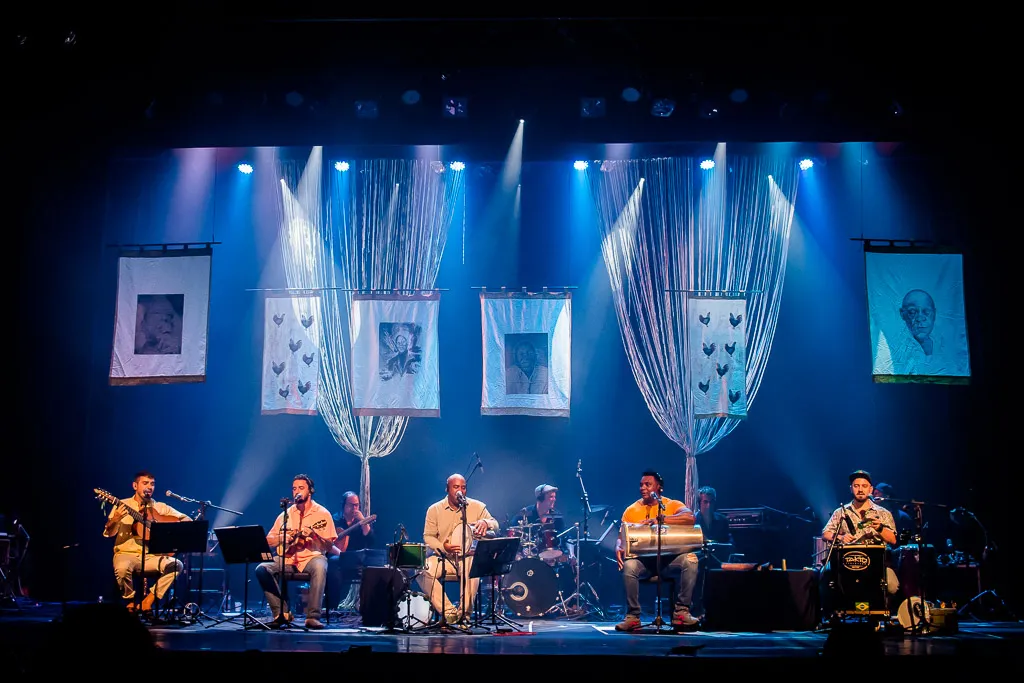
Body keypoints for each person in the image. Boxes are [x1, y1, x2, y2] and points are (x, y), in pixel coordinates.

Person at [614, 470, 700, 631]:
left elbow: (690, 518)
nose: (643, 488)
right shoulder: (631, 510)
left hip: (669, 561)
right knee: (629, 566)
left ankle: (681, 613)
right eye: (641, 485)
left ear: (659, 488)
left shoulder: (672, 505)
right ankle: (633, 616)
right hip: (643, 563)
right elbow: (621, 536)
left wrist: (662, 519)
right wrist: (618, 545)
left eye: (648, 484)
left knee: (691, 559)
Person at [255, 474, 338, 629]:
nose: (296, 491)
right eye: (294, 488)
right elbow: (268, 541)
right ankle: (282, 613)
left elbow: (328, 546)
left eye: (301, 488)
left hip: (311, 557)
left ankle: (312, 617)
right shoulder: (285, 514)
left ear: (310, 491)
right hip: (288, 558)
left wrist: (314, 535)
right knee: (262, 569)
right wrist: (283, 538)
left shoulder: (323, 514)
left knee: (320, 566)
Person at [103, 471, 191, 613]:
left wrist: (164, 527)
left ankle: (148, 601)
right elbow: (109, 533)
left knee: (176, 565)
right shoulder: (122, 504)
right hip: (126, 553)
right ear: (135, 485)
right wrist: (115, 519)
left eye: (152, 484)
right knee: (122, 568)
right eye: (145, 483)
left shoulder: (161, 507)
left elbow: (187, 520)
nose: (149, 487)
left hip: (152, 556)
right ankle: (130, 602)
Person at [417, 473, 499, 623]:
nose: (460, 491)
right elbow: (428, 537)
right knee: (422, 570)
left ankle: (463, 616)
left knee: (472, 567)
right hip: (444, 558)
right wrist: (443, 547)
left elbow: (496, 525)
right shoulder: (434, 509)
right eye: (456, 487)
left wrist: (486, 523)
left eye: (463, 487)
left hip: (467, 557)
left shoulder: (477, 507)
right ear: (447, 489)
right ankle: (450, 613)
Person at [820, 470, 900, 613]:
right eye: (856, 486)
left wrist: (880, 528)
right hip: (846, 563)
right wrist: (839, 537)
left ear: (870, 489)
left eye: (864, 486)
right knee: (824, 575)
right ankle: (833, 614)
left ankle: (881, 611)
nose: (860, 489)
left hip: (877, 565)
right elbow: (825, 533)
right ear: (851, 488)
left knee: (892, 585)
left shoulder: (883, 513)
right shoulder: (841, 512)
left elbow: (893, 539)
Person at [328, 491, 375, 609]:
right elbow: (328, 543)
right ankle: (332, 609)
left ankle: (367, 609)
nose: (354, 508)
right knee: (333, 567)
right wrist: (342, 555)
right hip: (338, 558)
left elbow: (370, 540)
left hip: (357, 559)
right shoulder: (334, 519)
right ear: (343, 505)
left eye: (357, 505)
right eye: (351, 505)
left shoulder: (361, 521)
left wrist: (364, 522)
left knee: (373, 567)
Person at [691, 485, 732, 617]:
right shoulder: (692, 521)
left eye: (711, 502)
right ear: (699, 503)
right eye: (705, 502)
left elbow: (728, 542)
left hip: (717, 559)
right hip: (698, 559)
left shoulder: (723, 521)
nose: (708, 506)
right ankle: (697, 608)